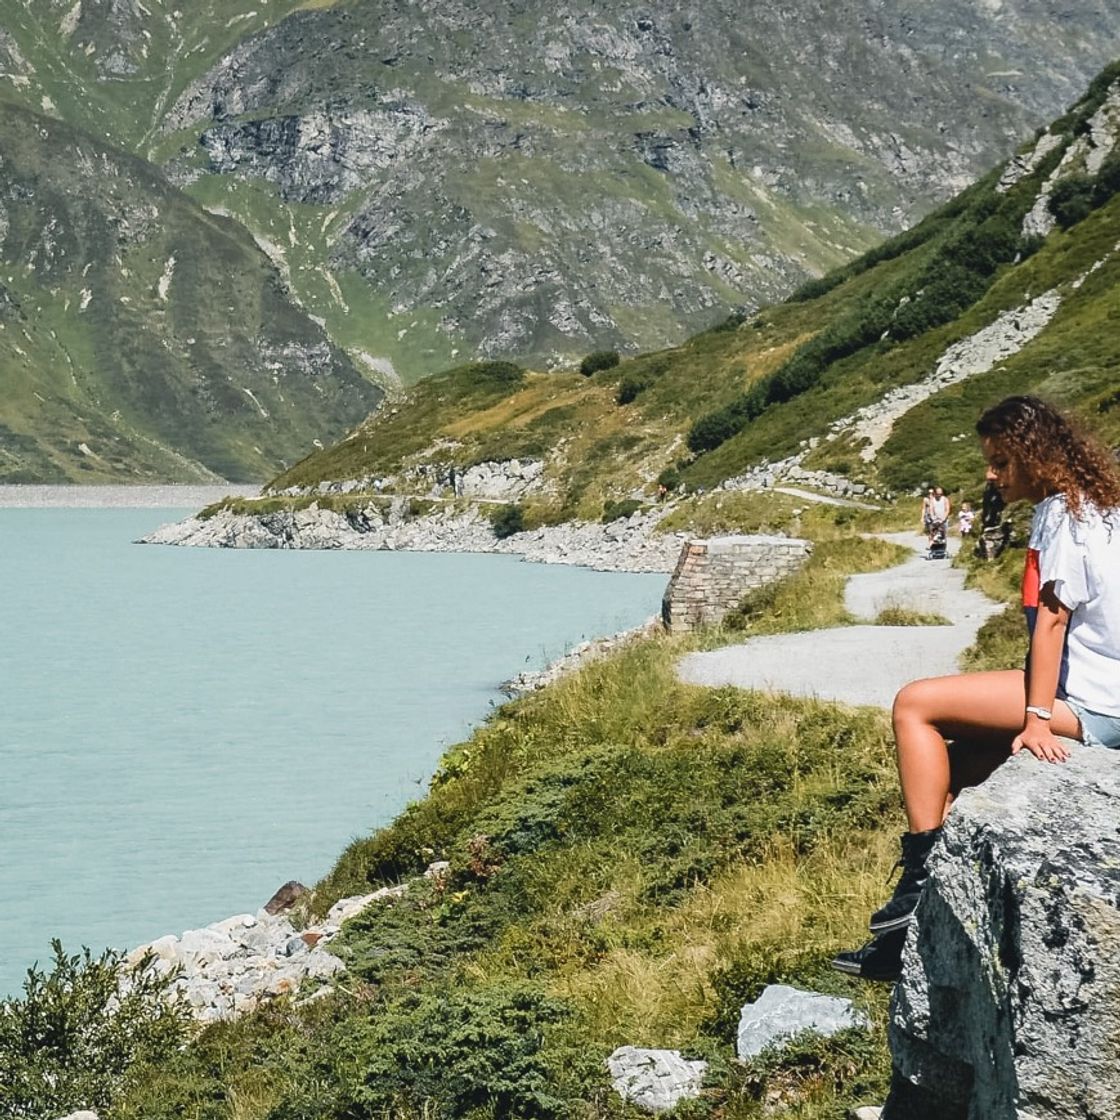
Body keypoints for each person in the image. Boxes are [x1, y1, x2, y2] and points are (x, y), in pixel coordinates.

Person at [833, 396, 1120, 981]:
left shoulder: (1067, 514)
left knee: (914, 705)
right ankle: (912, 941)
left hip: (1090, 702)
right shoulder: (1092, 505)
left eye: (999, 461)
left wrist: (1035, 717)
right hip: (1092, 691)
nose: (991, 474)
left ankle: (915, 888)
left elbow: (1054, 621)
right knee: (948, 776)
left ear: (1031, 454)